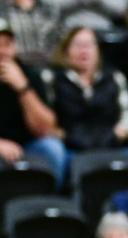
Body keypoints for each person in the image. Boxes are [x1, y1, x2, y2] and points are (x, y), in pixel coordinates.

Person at [44, 26, 128, 155]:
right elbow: (47, 119)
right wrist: (62, 135)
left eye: (89, 45)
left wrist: (119, 134)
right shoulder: (52, 78)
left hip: (113, 144)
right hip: (69, 147)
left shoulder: (114, 77)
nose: (84, 50)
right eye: (78, 45)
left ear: (98, 50)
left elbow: (127, 116)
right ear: (66, 51)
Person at [0, 17, 66, 188]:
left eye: (6, 44)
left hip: (28, 145)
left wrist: (23, 88)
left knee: (52, 148)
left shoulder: (28, 75)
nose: (2, 51)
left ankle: (47, 208)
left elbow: (46, 129)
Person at [0, 0, 60, 67]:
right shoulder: (3, 10)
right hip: (15, 66)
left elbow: (58, 40)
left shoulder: (50, 9)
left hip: (49, 66)